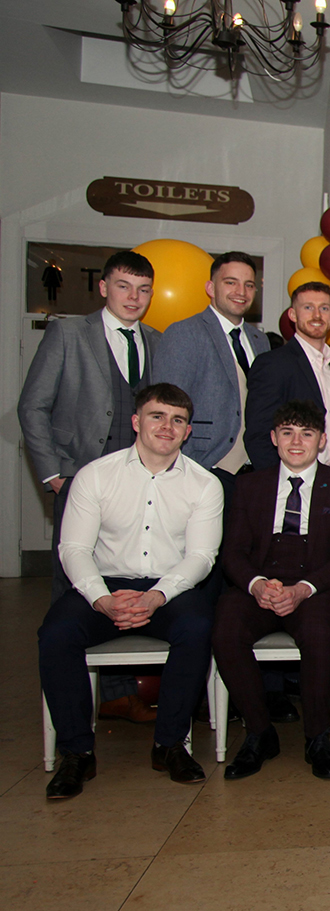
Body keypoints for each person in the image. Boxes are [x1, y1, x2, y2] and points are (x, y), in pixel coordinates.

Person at [38, 384, 223, 798]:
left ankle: (169, 743)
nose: (167, 426)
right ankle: (76, 753)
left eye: (177, 420)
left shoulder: (204, 484)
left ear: (187, 432)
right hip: (103, 585)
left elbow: (201, 557)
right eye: (157, 416)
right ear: (137, 422)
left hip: (168, 587)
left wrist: (156, 596)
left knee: (197, 628)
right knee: (55, 634)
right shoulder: (95, 475)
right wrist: (101, 599)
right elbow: (74, 548)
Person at [22, 250, 164, 723]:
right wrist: (54, 474)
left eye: (143, 289)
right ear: (103, 288)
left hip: (138, 487)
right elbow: (33, 407)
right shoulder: (68, 333)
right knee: (75, 589)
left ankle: (120, 693)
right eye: (124, 286)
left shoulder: (155, 341)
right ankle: (77, 709)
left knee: (126, 578)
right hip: (79, 482)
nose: (134, 297)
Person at [210, 401, 330, 780]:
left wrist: (304, 589)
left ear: (322, 440)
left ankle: (317, 738)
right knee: (225, 629)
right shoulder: (249, 485)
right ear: (275, 438)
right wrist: (256, 585)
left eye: (307, 434)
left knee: (317, 634)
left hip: (319, 585)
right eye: (288, 433)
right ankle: (260, 733)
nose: (297, 442)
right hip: (261, 582)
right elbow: (232, 552)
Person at [155, 251, 271, 479]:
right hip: (202, 465)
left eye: (249, 285)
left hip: (253, 471)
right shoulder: (185, 332)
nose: (241, 292)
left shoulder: (260, 340)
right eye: (231, 283)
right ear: (210, 288)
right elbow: (166, 407)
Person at [244, 282, 330, 472]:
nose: (317, 315)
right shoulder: (272, 364)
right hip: (291, 483)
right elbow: (258, 435)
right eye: (308, 307)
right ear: (292, 315)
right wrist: (278, 485)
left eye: (324, 308)